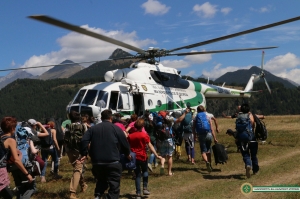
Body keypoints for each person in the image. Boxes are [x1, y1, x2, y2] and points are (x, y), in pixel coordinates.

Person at [79, 109, 131, 199]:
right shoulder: (116, 128)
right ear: (111, 118)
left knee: (101, 180)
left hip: (97, 162)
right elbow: (124, 143)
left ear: (101, 118)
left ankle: (98, 196)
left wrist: (84, 153)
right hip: (113, 161)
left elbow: (84, 140)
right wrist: (127, 154)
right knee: (114, 185)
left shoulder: (93, 129)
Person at [127, 118, 164, 199]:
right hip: (142, 156)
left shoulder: (130, 136)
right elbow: (150, 146)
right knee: (145, 171)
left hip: (134, 157)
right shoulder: (144, 135)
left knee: (137, 175)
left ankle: (138, 193)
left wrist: (127, 154)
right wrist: (156, 155)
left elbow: (128, 146)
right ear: (143, 126)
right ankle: (145, 188)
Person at [1, 117, 34, 199]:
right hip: (1, 171)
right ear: (12, 128)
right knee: (8, 196)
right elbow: (16, 160)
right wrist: (27, 174)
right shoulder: (11, 140)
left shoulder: (1, 138)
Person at [64, 111, 88, 199]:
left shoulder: (67, 127)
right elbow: (86, 139)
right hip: (80, 151)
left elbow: (65, 139)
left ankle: (83, 185)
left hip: (70, 150)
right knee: (78, 170)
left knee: (77, 168)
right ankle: (72, 192)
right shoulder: (83, 126)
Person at [234, 103, 259, 178]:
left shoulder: (238, 117)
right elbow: (253, 124)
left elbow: (237, 128)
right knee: (253, 155)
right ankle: (255, 170)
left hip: (242, 138)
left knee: (245, 154)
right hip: (251, 137)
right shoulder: (250, 115)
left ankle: (248, 164)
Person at [193, 105, 218, 173]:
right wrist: (215, 138)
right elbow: (211, 127)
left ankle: (207, 162)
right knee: (209, 150)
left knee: (203, 151)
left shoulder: (196, 117)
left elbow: (193, 128)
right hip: (209, 134)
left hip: (201, 135)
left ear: (197, 110)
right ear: (204, 109)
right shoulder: (207, 116)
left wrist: (194, 136)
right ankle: (210, 164)